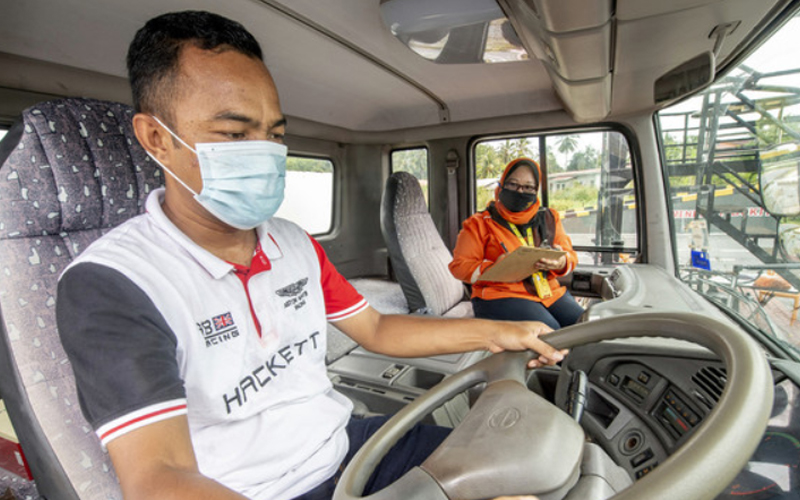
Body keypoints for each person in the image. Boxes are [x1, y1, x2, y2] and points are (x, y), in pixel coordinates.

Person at [54, 11, 564, 500]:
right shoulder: (113, 283)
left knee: (520, 475)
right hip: (261, 490)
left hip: (347, 446)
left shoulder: (292, 241)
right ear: (157, 140)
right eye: (234, 134)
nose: (265, 151)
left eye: (274, 134)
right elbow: (159, 479)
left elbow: (379, 330)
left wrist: (498, 331)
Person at [449, 158, 584, 329]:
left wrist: (561, 262)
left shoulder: (550, 218)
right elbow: (459, 267)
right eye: (513, 184)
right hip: (499, 295)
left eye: (528, 187)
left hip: (548, 292)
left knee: (583, 327)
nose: (520, 191)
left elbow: (570, 256)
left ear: (536, 190)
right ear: (502, 184)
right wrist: (493, 268)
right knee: (550, 331)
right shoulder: (478, 223)